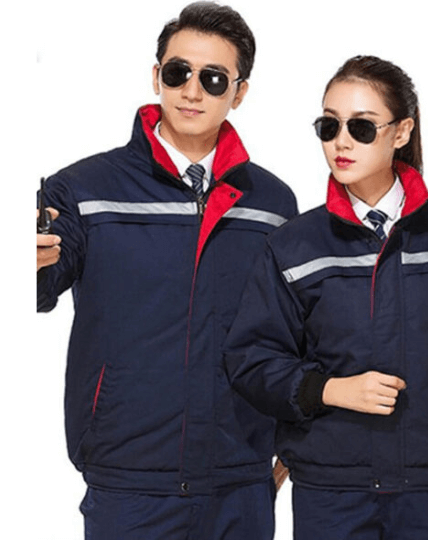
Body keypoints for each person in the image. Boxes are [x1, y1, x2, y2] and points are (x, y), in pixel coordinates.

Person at [36, 2, 297, 539]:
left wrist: (289, 450)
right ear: (157, 76)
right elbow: (39, 283)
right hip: (128, 482)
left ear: (239, 92)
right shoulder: (84, 189)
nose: (192, 91)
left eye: (213, 78)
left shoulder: (272, 203)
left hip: (241, 482)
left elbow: (296, 334)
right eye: (178, 73)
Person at [224, 55, 428, 539]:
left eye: (362, 127)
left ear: (402, 131)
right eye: (329, 126)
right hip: (332, 494)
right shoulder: (293, 246)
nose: (342, 142)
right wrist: (329, 389)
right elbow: (250, 359)